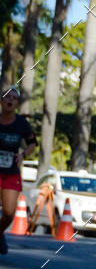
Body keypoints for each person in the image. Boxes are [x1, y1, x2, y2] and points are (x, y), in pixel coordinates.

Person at [0, 87, 36, 255]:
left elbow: (32, 143)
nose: (10, 100)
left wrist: (22, 154)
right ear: (1, 100)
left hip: (11, 171)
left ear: (16, 104)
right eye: (7, 96)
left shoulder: (21, 123)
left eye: (14, 98)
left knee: (8, 212)